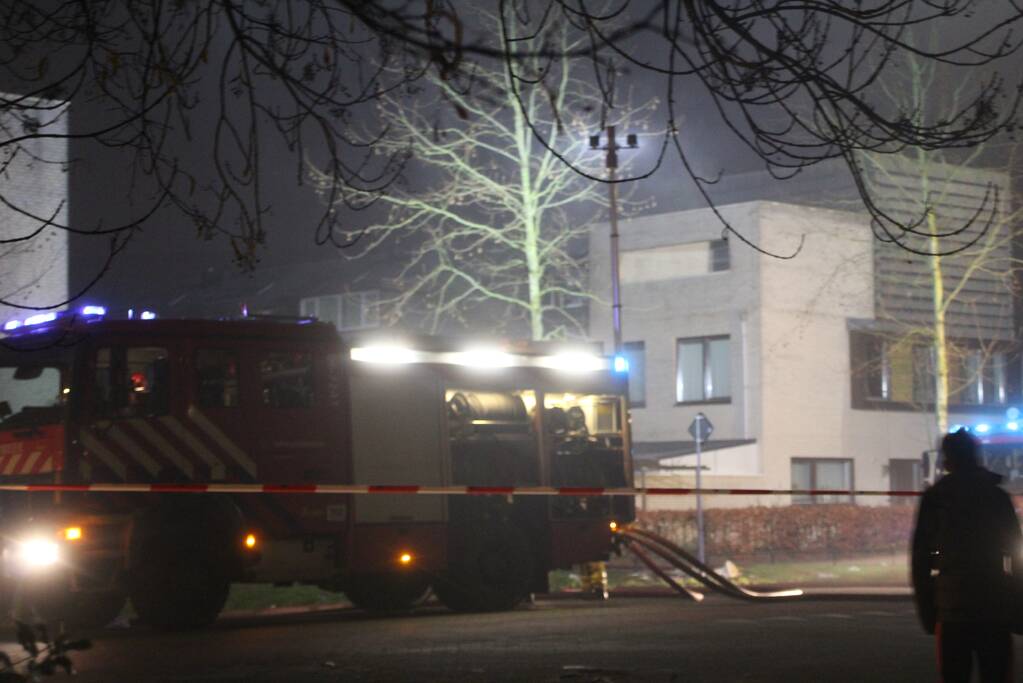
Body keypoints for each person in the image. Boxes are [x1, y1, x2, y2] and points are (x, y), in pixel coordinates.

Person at [911, 428, 1022, 682]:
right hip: (994, 607)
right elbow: (1016, 557)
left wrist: (929, 613)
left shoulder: (936, 499)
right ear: (977, 457)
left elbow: (920, 560)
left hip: (952, 612)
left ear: (947, 460)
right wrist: (1018, 609)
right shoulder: (997, 497)